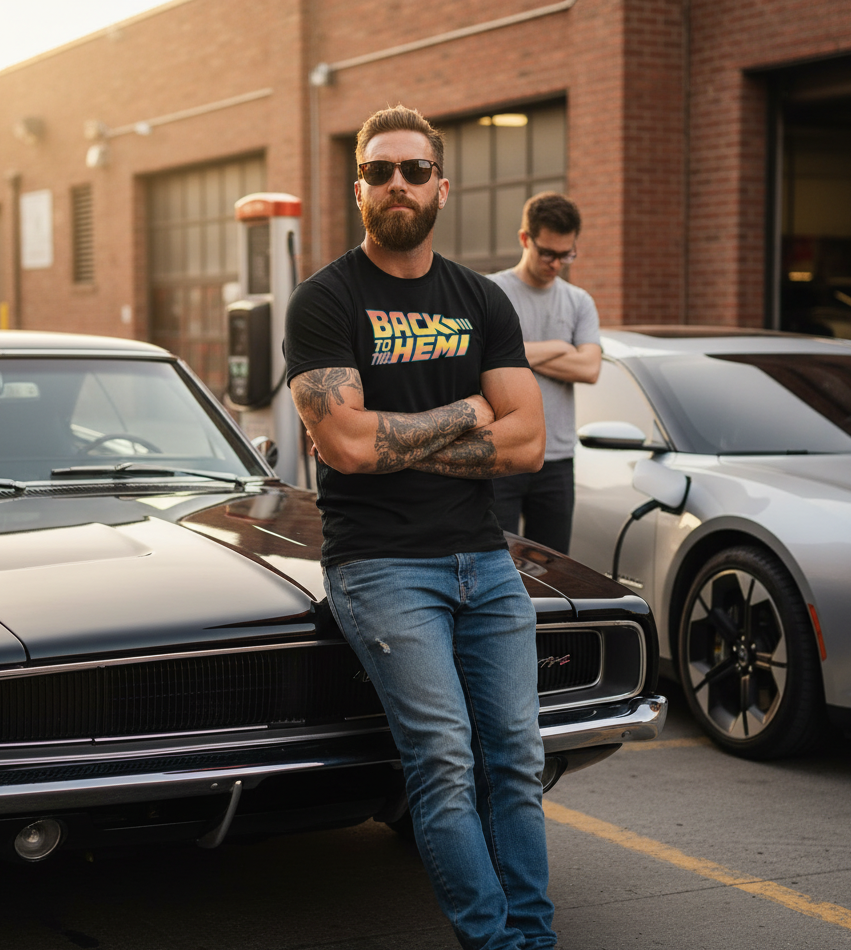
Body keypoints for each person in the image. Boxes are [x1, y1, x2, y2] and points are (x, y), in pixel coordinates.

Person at [285, 105, 556, 950]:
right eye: (379, 171)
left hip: (484, 559)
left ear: (443, 185)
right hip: (381, 567)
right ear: (357, 186)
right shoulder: (324, 303)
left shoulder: (480, 299)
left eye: (412, 170)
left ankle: (534, 937)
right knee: (443, 760)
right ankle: (497, 943)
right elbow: (350, 450)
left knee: (516, 758)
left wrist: (398, 440)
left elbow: (530, 444)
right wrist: (470, 408)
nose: (395, 183)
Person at [488, 192, 601, 554]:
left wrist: (515, 354)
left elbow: (590, 368)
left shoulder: (579, 301)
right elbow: (480, 362)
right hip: (500, 455)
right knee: (494, 564)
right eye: (548, 253)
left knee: (554, 571)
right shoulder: (491, 292)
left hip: (556, 461)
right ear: (525, 239)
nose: (556, 263)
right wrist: (560, 346)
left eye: (566, 255)